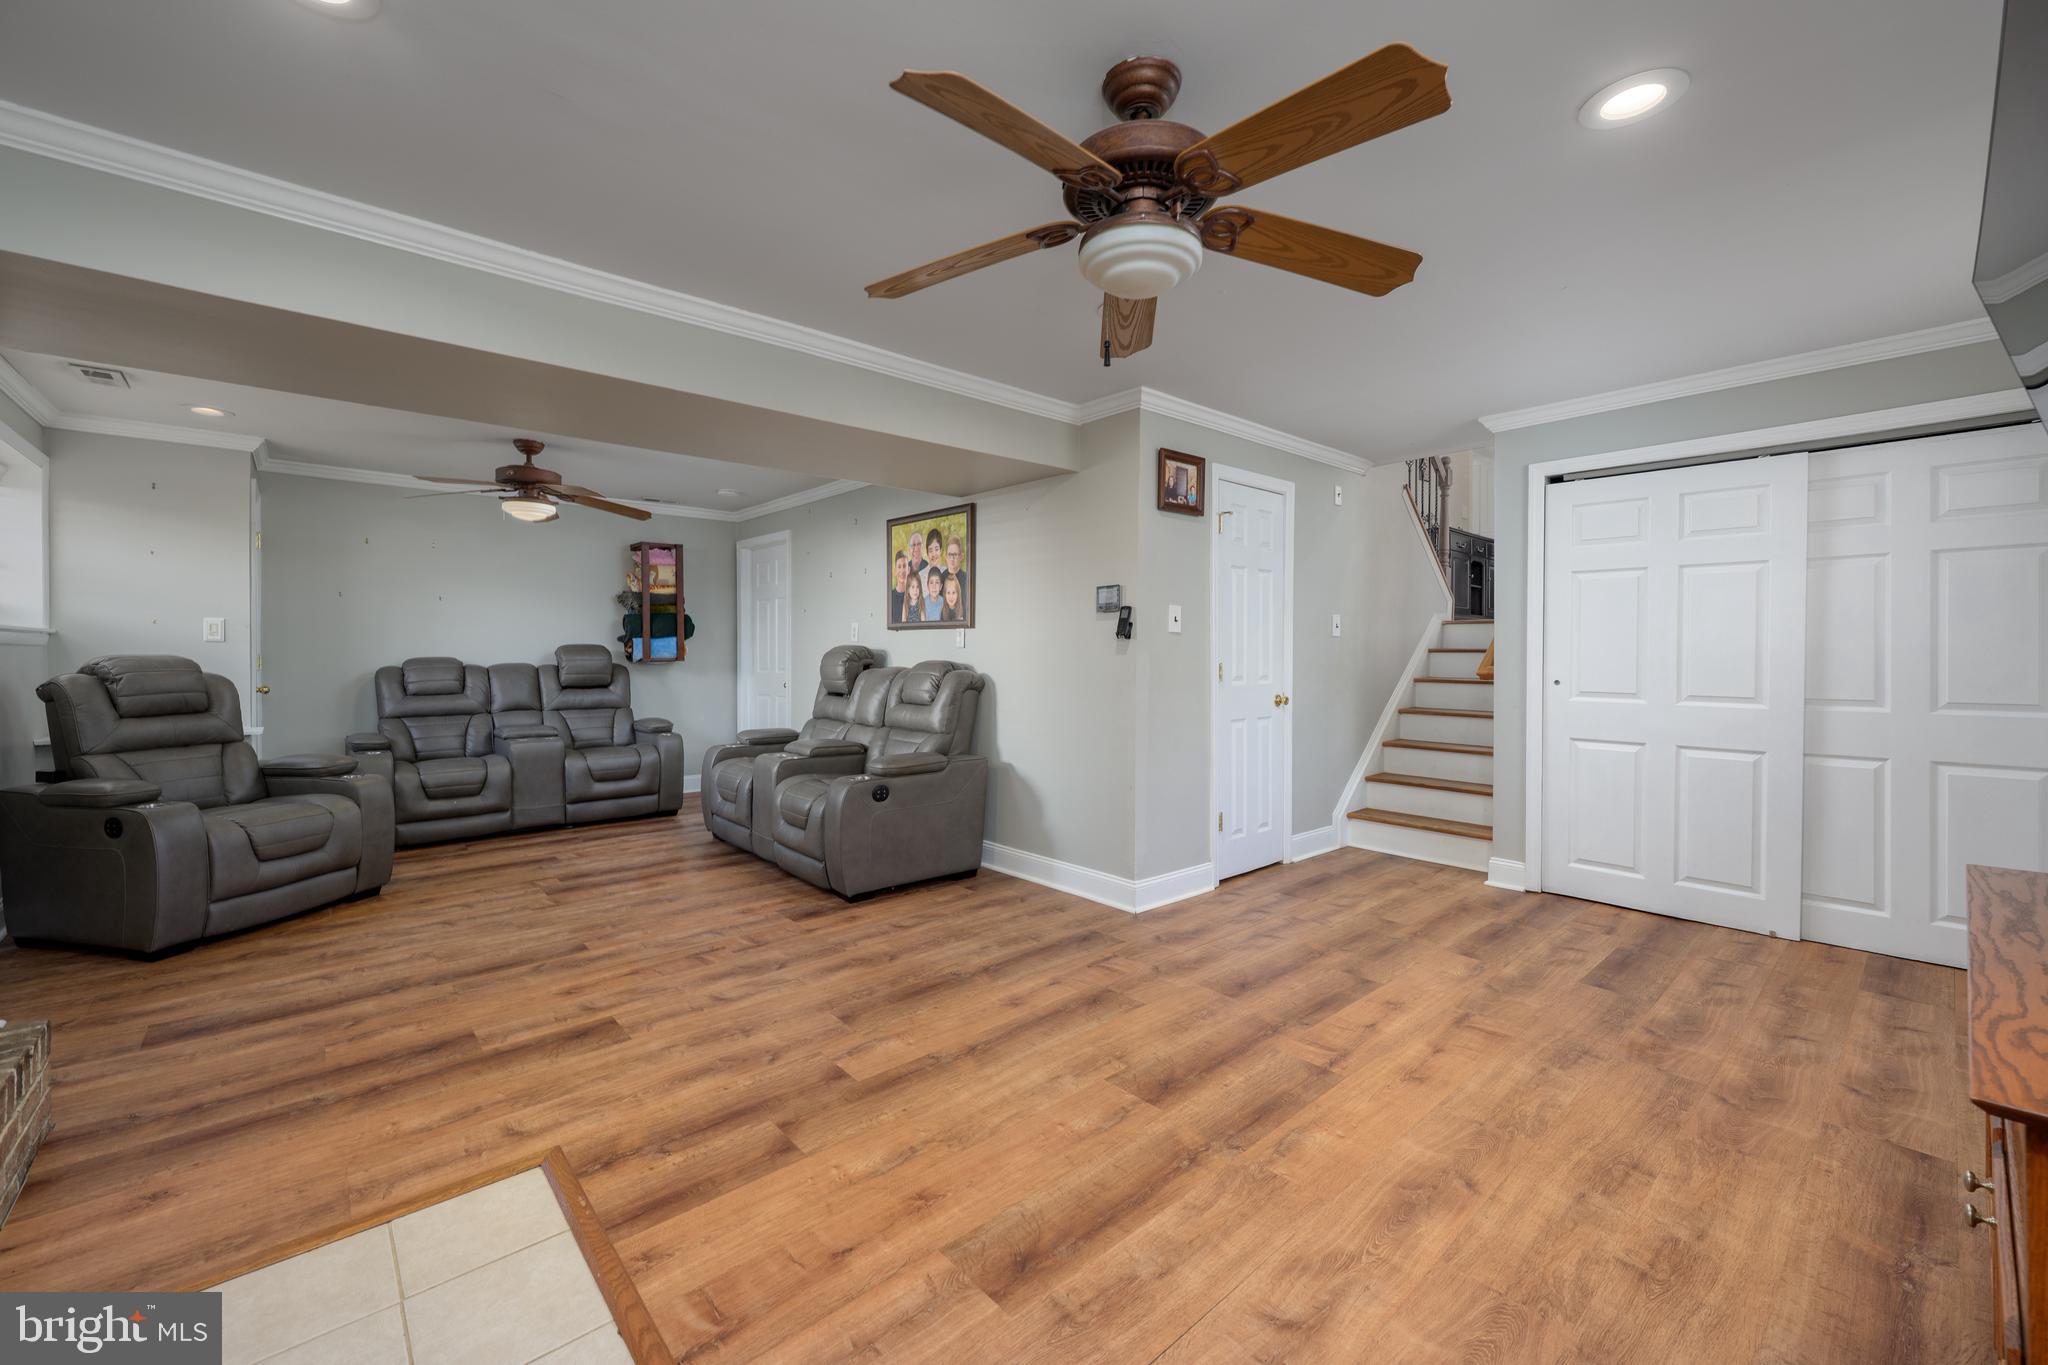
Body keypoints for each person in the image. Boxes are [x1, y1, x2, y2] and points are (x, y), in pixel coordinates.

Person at [944, 534, 969, 609]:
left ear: (961, 556)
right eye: (950, 554)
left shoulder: (966, 579)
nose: (952, 558)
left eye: (955, 554)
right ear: (945, 556)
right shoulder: (941, 578)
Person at [889, 551, 910, 624]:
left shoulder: (914, 595)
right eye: (899, 567)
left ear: (909, 570)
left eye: (904, 566)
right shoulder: (890, 597)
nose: (902, 570)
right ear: (895, 571)